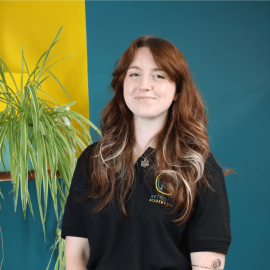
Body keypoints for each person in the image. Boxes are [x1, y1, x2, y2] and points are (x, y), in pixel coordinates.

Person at [61, 35, 233, 270]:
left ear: (176, 91)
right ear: (122, 85)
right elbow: (77, 253)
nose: (144, 85)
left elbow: (206, 265)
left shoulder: (199, 168)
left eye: (159, 75)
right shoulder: (93, 160)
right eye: (134, 74)